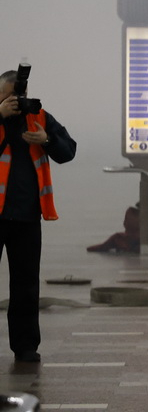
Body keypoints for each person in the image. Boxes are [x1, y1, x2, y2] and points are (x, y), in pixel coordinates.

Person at [0, 66, 76, 364]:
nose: (15, 103)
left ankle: (26, 346)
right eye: (8, 97)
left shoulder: (40, 118)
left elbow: (68, 151)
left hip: (27, 217)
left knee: (26, 285)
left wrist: (46, 139)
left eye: (18, 97)